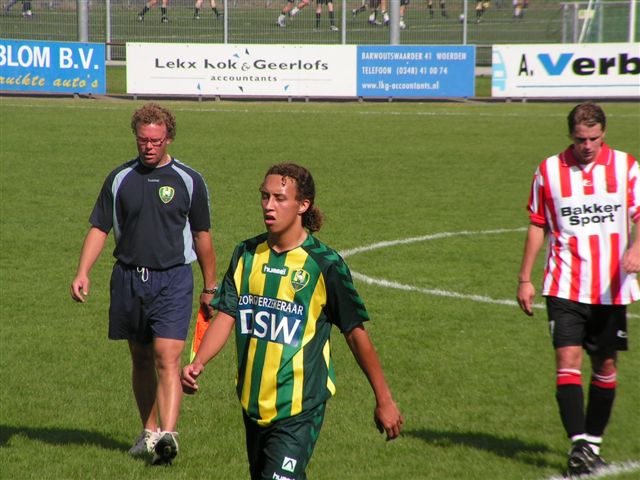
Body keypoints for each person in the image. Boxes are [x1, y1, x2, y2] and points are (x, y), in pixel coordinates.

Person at [181, 163, 403, 480]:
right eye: (265, 196)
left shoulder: (324, 265)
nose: (269, 206)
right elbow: (228, 314)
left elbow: (355, 334)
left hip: (300, 409)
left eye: (280, 198)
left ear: (303, 205)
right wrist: (198, 361)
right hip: (252, 403)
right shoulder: (246, 254)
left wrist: (384, 399)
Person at [71, 103, 217, 466]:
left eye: (155, 140)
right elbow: (99, 227)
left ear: (168, 138)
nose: (149, 146)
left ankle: (169, 436)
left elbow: (202, 235)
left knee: (167, 357)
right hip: (129, 279)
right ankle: (149, 432)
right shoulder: (119, 179)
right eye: (142, 140)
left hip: (174, 280)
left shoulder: (189, 180)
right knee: (139, 358)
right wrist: (83, 271)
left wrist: (210, 285)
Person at [517, 102, 640, 477]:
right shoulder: (549, 171)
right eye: (581, 138)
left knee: (605, 365)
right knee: (567, 362)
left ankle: (593, 445)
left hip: (611, 289)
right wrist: (525, 277)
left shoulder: (626, 167)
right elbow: (538, 224)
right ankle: (578, 447)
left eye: (595, 138)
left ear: (604, 134)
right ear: (570, 135)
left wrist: (636, 247)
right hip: (564, 285)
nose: (587, 145)